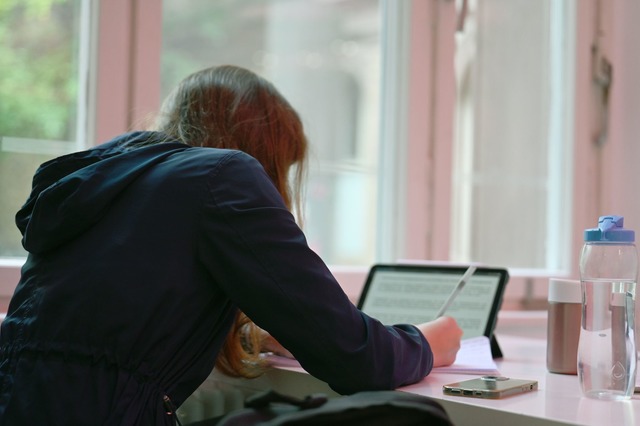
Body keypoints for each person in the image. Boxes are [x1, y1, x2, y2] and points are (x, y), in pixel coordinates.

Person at [0, 65, 462, 425]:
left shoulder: (104, 181)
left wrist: (254, 333)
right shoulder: (223, 176)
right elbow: (359, 362)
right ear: (267, 152)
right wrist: (425, 342)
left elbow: (122, 313)